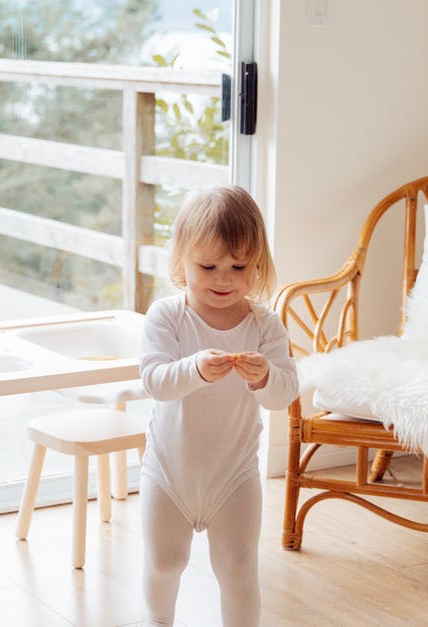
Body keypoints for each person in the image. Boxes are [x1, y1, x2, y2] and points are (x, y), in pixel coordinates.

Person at [139, 185, 298, 626]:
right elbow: (155, 382)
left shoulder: (264, 326)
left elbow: (286, 392)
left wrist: (265, 376)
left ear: (258, 265)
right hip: (169, 473)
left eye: (238, 266)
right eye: (207, 266)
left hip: (235, 475)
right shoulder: (167, 317)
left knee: (239, 569)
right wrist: (193, 370)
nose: (223, 279)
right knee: (164, 563)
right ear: (181, 263)